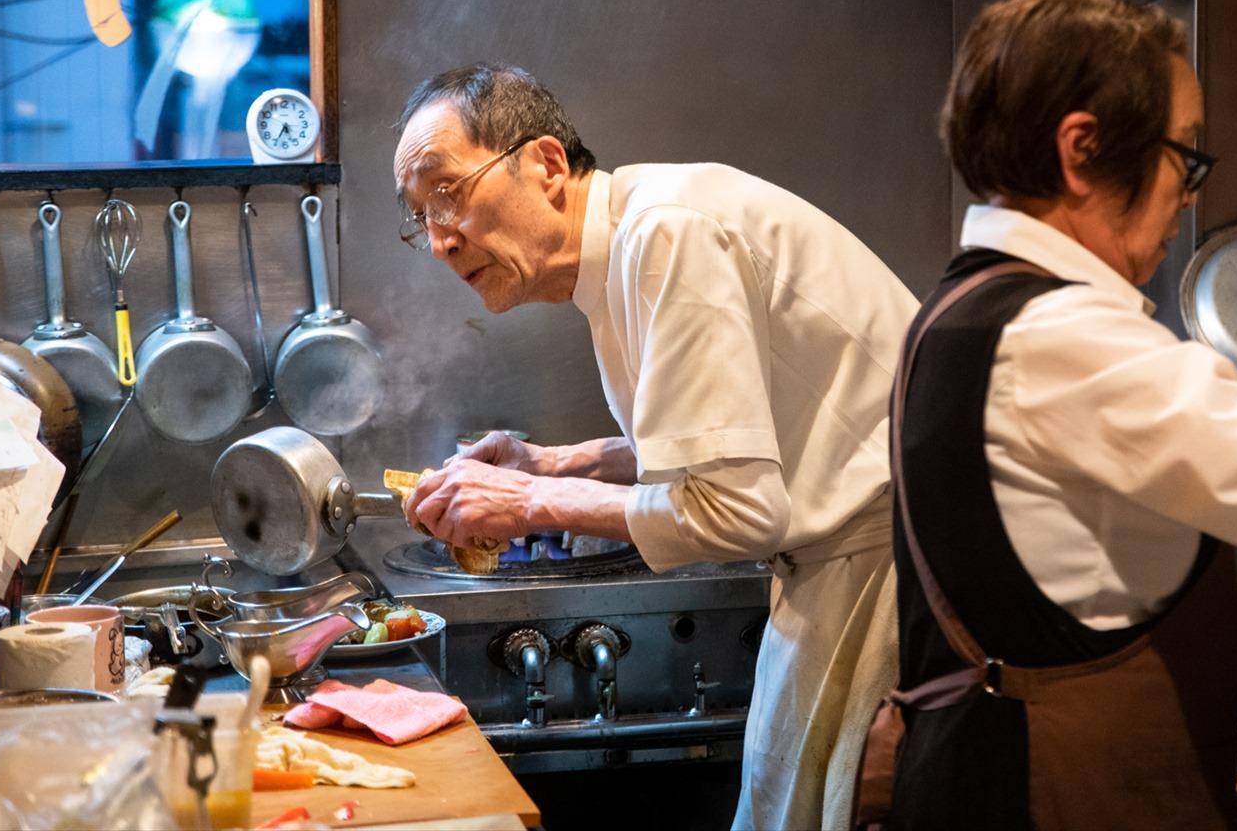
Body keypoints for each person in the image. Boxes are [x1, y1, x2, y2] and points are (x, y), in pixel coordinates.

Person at [863, 0, 1237, 830]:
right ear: (1082, 150)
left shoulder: (970, 305)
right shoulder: (1062, 334)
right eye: (1182, 154)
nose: (1188, 194)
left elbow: (1193, 455)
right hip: (1055, 795)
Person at [392, 63, 918, 831]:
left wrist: (530, 499)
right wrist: (555, 462)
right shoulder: (631, 245)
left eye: (448, 194)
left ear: (544, 164)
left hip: (886, 576)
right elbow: (718, 440)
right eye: (419, 217)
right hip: (843, 571)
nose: (439, 241)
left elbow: (739, 510)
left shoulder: (666, 235)